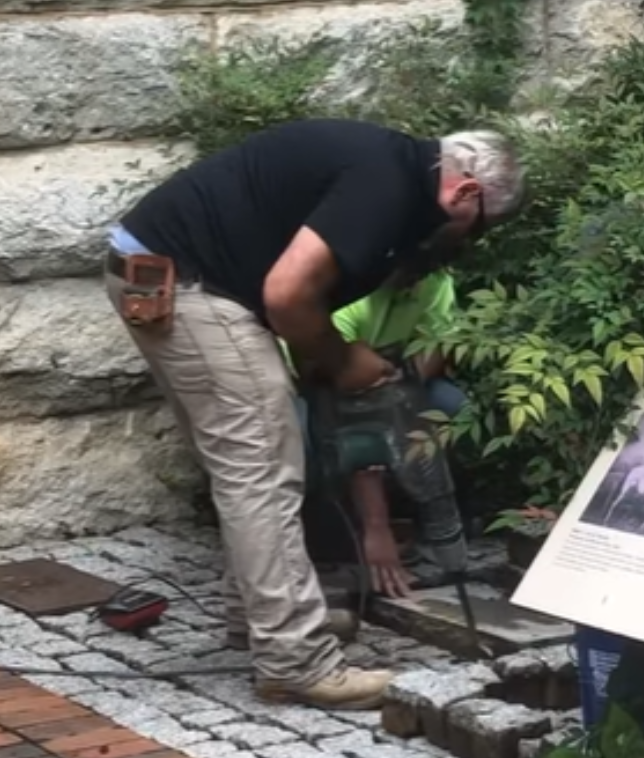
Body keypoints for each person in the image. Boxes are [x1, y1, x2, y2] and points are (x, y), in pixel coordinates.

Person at [107, 119, 526, 711]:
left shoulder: (395, 169)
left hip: (168, 269)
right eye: (480, 227)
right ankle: (295, 662)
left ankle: (261, 621)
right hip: (189, 284)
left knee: (248, 465)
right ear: (465, 193)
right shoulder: (387, 185)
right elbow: (287, 294)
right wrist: (344, 358)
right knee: (263, 468)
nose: (469, 240)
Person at [290, 266, 468, 599]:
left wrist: (399, 381)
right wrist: (376, 526)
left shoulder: (435, 279)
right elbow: (349, 405)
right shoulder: (348, 293)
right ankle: (335, 537)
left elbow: (435, 349)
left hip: (392, 376)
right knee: (299, 442)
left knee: (452, 410)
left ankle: (425, 521)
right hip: (320, 385)